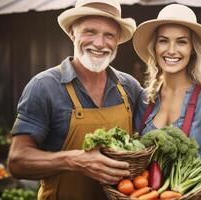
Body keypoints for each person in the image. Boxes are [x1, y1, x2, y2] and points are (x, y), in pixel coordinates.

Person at [8, 0, 142, 199]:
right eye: (90, 32)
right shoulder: (44, 86)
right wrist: (74, 160)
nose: (99, 43)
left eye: (109, 35)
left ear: (117, 40)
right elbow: (17, 162)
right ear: (72, 32)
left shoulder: (129, 87)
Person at [133, 4, 201, 200]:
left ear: (193, 49)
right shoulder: (145, 99)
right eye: (163, 41)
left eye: (181, 42)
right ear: (154, 47)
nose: (171, 50)